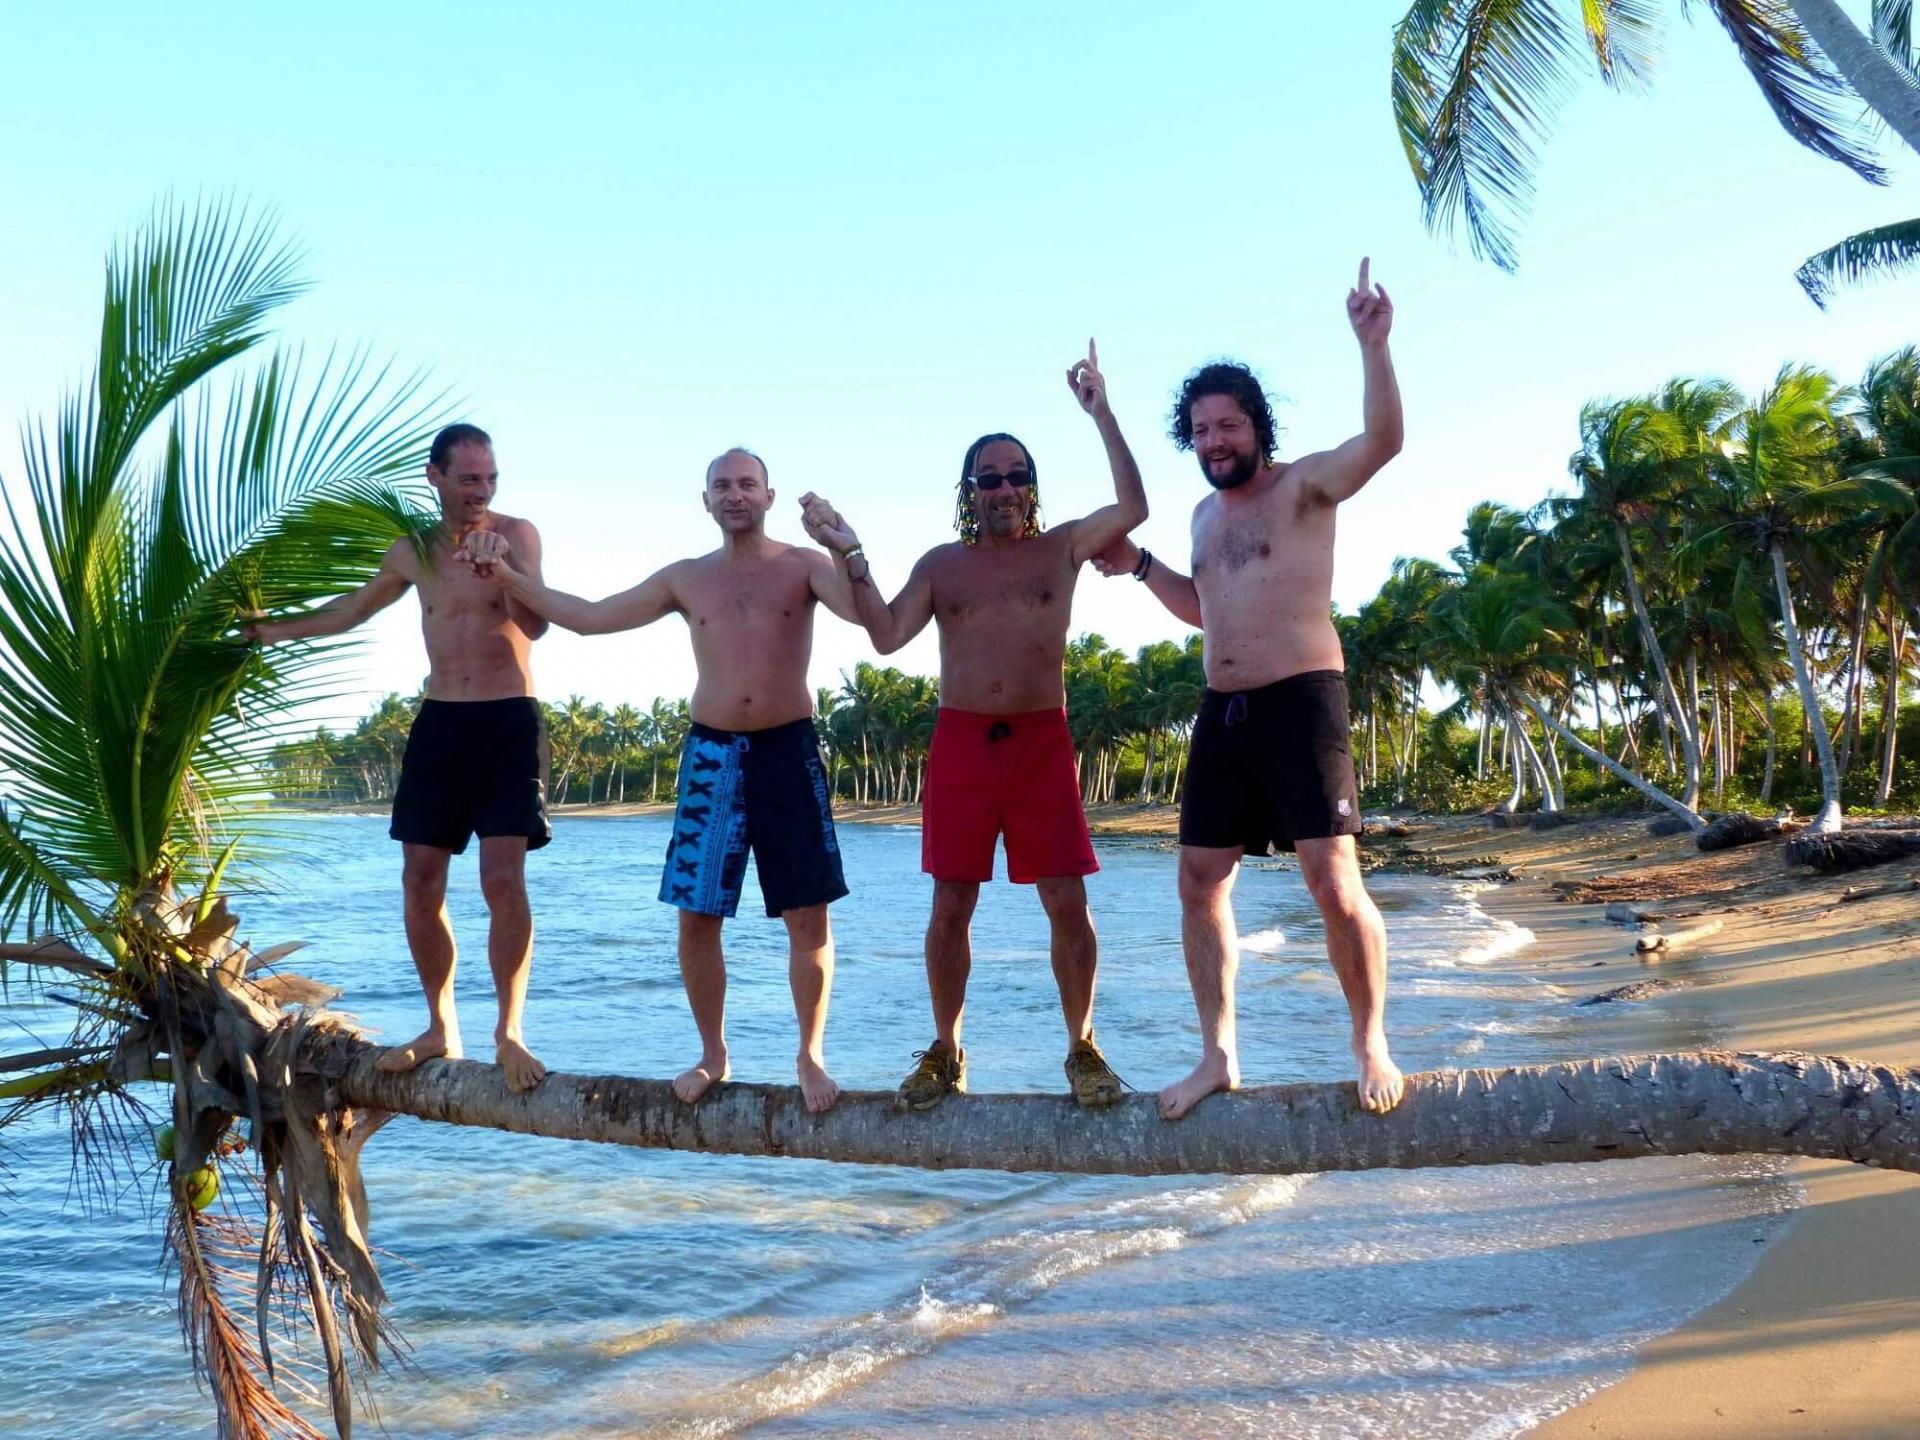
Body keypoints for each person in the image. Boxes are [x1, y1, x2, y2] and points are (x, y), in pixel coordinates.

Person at [1093, 259, 1407, 1120]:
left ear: (1256, 427)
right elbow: (1207, 611)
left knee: (1332, 880)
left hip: (1304, 699)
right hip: (1222, 714)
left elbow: (1381, 443)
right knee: (1198, 881)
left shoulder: (1304, 486)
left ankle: (1370, 1039)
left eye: (1227, 425)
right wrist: (1142, 566)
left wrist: (1373, 346)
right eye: (1200, 431)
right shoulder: (1201, 519)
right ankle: (1218, 1054)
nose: (1214, 441)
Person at [799, 341, 1146, 1111]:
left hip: (1040, 746)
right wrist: (849, 551)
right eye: (989, 478)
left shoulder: (1062, 550)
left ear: (1032, 487)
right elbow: (885, 634)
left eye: (1018, 476)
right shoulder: (942, 565)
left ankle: (1082, 1048)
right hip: (961, 746)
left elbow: (1133, 509)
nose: (1006, 489)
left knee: (1066, 902)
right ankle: (948, 1050)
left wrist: (1103, 412)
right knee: (951, 905)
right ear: (969, 491)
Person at [461, 448, 859, 1113]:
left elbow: (864, 616)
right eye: (721, 486)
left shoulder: (802, 566)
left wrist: (843, 546)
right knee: (697, 917)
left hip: (788, 751)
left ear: (767, 496)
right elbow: (589, 615)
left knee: (806, 916)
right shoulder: (687, 578)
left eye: (747, 485)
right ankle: (713, 1054)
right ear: (705, 500)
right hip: (712, 756)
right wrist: (506, 577)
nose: (735, 495)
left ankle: (809, 1054)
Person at [245, 422, 553, 1093]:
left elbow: (539, 624)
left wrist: (505, 573)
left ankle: (509, 1032)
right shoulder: (412, 551)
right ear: (435, 476)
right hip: (441, 720)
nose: (481, 490)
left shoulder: (517, 535)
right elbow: (350, 611)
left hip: (506, 719)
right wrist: (272, 631)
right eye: (469, 478)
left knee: (503, 880)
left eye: (490, 478)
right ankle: (441, 1026)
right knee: (419, 878)